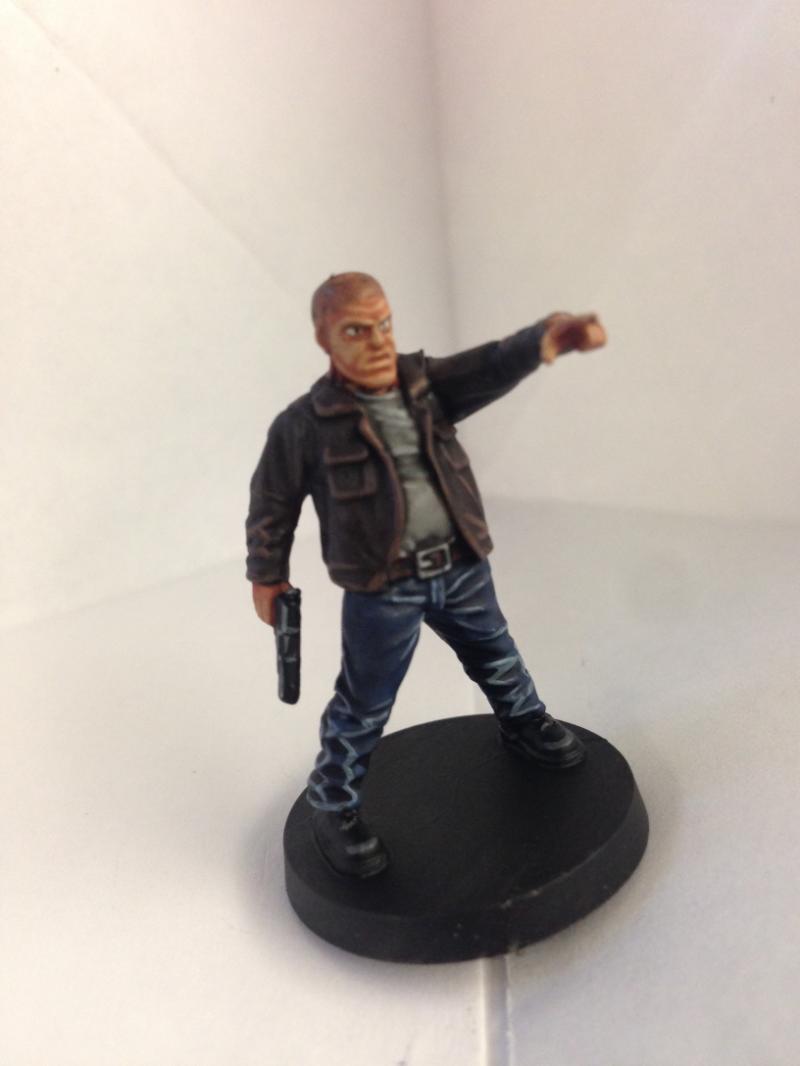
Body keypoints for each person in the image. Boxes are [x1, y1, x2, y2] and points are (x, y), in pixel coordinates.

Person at [246, 272, 607, 878]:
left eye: (384, 325)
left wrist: (547, 338)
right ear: (323, 338)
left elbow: (490, 365)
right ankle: (332, 803)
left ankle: (524, 724)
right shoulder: (305, 425)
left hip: (460, 563)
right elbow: (272, 504)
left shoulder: (425, 386)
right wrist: (267, 576)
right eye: (356, 331)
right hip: (382, 586)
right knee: (365, 701)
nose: (377, 342)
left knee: (497, 654)